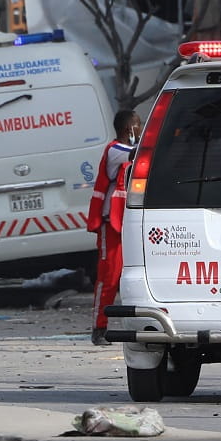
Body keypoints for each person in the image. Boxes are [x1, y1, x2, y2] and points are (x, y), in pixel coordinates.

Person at [86, 109, 139, 344]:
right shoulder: (116, 150)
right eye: (138, 125)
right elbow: (138, 154)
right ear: (130, 128)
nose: (141, 128)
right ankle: (99, 328)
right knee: (108, 276)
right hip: (113, 223)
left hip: (129, 220)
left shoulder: (122, 150)